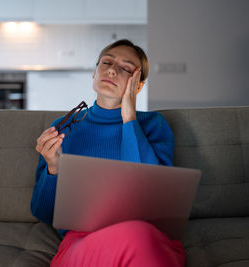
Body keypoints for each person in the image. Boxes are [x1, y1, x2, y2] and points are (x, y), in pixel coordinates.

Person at [31, 39, 185, 267]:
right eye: (106, 62)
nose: (112, 69)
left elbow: (150, 196)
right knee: (133, 237)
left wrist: (129, 119)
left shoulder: (154, 125)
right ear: (94, 74)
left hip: (147, 238)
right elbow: (44, 212)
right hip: (83, 242)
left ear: (139, 85)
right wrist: (53, 168)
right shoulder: (63, 128)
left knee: (136, 235)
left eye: (125, 68)